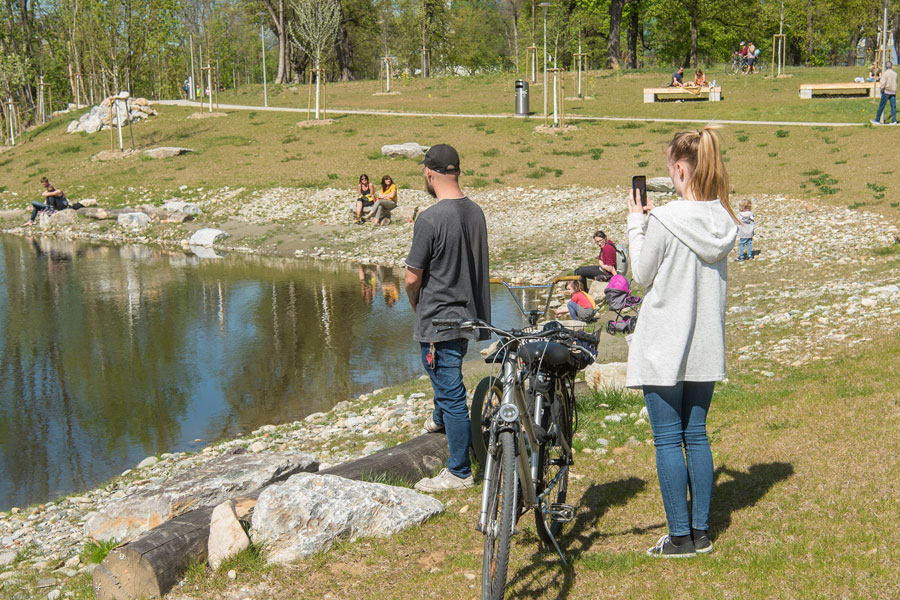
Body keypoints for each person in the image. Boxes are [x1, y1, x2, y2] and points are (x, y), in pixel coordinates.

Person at [625, 127, 738, 558]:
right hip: (704, 344)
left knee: (669, 439)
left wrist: (638, 224)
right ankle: (701, 533)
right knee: (697, 436)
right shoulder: (724, 219)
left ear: (678, 168)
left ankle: (678, 537)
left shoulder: (665, 219)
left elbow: (641, 273)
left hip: (663, 345)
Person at [405, 144, 490, 493]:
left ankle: (458, 471)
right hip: (467, 316)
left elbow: (412, 278)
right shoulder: (476, 212)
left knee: (451, 390)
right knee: (445, 378)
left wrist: (416, 306)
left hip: (439, 319)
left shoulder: (429, 218)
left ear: (429, 173)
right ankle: (440, 420)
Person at [871, 61, 898, 126]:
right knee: (893, 106)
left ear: (886, 66)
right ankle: (894, 120)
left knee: (882, 105)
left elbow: (883, 83)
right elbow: (896, 81)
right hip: (893, 91)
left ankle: (877, 119)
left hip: (886, 91)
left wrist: (881, 89)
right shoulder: (895, 74)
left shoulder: (885, 73)